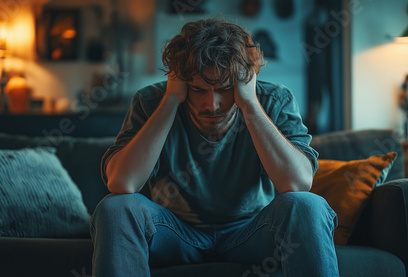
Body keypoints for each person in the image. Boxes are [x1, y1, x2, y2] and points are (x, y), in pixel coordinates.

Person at [89, 17, 339, 277]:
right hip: (174, 232)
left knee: (308, 205)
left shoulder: (274, 100)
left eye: (225, 88)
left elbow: (298, 184)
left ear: (245, 80)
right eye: (197, 89)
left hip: (251, 232)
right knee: (115, 208)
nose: (212, 104)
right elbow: (121, 183)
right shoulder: (152, 101)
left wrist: (250, 105)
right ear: (181, 81)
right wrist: (172, 99)